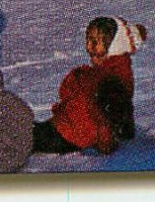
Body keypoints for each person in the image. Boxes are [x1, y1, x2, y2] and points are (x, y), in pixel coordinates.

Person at [33, 17, 146, 155]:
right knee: (28, 130)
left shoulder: (111, 80)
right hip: (68, 127)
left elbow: (113, 114)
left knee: (27, 136)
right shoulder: (103, 72)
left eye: (94, 42)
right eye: (88, 41)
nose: (88, 47)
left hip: (74, 135)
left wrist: (106, 142)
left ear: (113, 47)